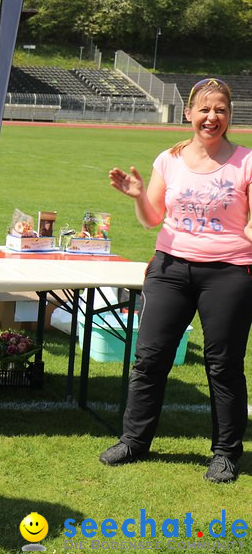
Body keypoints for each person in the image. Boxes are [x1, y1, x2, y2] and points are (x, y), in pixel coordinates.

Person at [101, 77, 251, 484]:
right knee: (149, 359)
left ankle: (224, 454)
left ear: (229, 115)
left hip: (228, 273)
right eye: (204, 109)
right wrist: (137, 196)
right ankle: (134, 441)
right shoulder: (168, 159)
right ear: (188, 113)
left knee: (223, 367)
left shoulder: (247, 161)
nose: (212, 117)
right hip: (169, 269)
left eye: (220, 109)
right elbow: (153, 218)